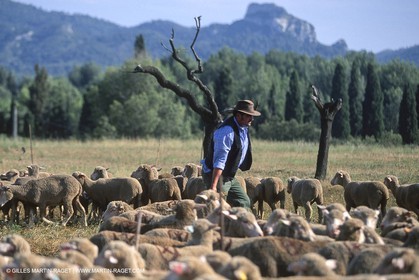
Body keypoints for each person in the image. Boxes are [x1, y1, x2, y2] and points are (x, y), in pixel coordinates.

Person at [201, 99, 261, 209]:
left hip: (228, 176)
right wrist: (214, 186)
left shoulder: (243, 127)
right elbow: (219, 161)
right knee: (217, 206)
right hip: (216, 175)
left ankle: (235, 224)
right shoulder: (226, 132)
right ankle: (212, 225)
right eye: (248, 116)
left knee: (244, 202)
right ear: (239, 116)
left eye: (252, 116)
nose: (251, 119)